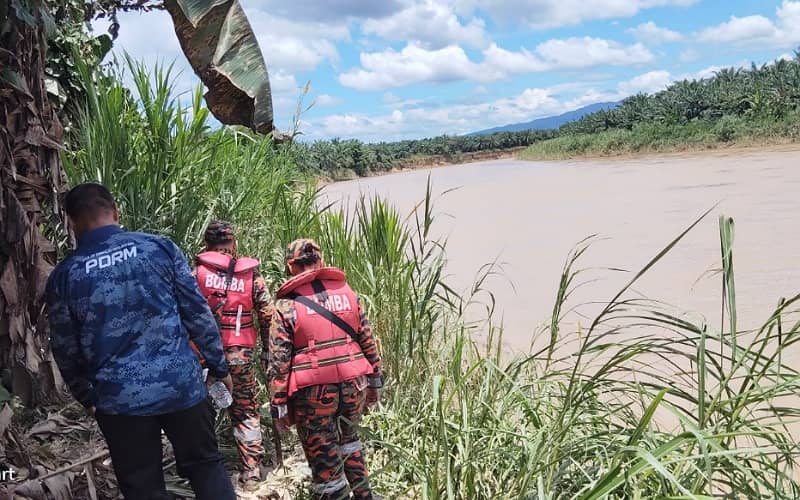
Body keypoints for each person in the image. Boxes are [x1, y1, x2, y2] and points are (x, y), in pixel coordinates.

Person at [45, 183, 237, 500]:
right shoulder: (159, 248)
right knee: (206, 465)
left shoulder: (66, 275)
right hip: (181, 387)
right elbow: (197, 313)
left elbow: (65, 348)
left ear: (72, 222)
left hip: (120, 402)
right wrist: (219, 365)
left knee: (143, 487)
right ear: (115, 211)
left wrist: (88, 398)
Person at [268, 239, 383, 500]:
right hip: (355, 384)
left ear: (290, 266)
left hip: (314, 392)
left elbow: (279, 362)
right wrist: (376, 381)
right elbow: (367, 339)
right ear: (320, 260)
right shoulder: (347, 292)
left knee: (324, 457)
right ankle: (364, 495)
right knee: (350, 441)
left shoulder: (286, 306)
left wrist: (279, 406)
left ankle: (335, 494)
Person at [193, 221, 272, 491]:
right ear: (233, 243)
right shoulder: (252, 276)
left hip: (202, 357)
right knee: (245, 410)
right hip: (239, 356)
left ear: (207, 244)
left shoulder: (197, 274)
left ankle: (206, 472)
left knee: (199, 412)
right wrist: (268, 354)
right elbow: (267, 315)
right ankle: (251, 472)